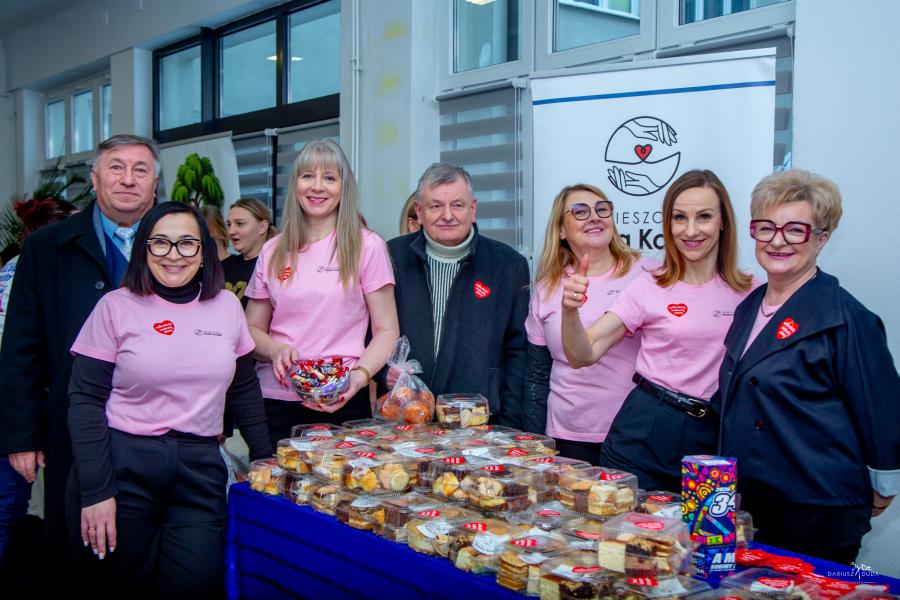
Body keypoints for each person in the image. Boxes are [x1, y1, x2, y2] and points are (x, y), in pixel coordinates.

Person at [67, 202, 272, 597]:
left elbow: (244, 389)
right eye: (160, 243)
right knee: (123, 586)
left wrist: (265, 461)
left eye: (187, 243)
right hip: (125, 465)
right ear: (143, 249)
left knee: (196, 583)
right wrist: (96, 491)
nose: (174, 255)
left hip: (199, 467)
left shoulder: (227, 307)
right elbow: (85, 401)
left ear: (204, 252)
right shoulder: (115, 307)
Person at [715, 169, 900, 564]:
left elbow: (881, 408)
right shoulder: (749, 307)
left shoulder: (845, 318)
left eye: (795, 230)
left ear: (821, 238)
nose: (777, 240)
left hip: (816, 508)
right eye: (767, 227)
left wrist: (885, 481)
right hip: (752, 501)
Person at [0, 134, 159, 593]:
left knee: (148, 552)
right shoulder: (45, 247)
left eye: (140, 170)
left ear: (155, 184)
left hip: (157, 425)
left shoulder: (178, 244)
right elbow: (21, 345)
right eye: (116, 167)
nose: (127, 179)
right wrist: (22, 434)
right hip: (70, 422)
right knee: (75, 552)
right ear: (95, 178)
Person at [561, 169, 755, 492]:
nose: (690, 230)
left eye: (704, 216)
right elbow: (583, 354)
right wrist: (570, 311)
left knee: (702, 526)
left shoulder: (751, 293)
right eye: (679, 218)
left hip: (713, 438)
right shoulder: (649, 286)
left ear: (723, 222)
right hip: (645, 430)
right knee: (625, 523)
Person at [245, 139, 399, 444]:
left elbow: (387, 330)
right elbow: (250, 329)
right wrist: (274, 350)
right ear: (295, 184)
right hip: (276, 399)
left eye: (329, 177)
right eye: (308, 176)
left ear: (344, 187)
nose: (317, 187)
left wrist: (359, 377)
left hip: (343, 397)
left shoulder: (367, 246)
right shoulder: (272, 250)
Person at [383, 163, 529, 427]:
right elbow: (369, 333)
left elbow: (518, 351)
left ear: (473, 209)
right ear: (419, 211)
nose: (447, 215)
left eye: (457, 205)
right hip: (406, 421)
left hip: (481, 423)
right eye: (436, 206)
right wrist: (385, 373)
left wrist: (508, 424)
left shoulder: (508, 265)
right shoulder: (390, 258)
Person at [524, 184, 652, 463]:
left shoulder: (648, 273)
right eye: (580, 212)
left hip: (635, 433)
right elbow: (536, 375)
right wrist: (534, 443)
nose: (594, 217)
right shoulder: (547, 287)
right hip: (566, 435)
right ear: (561, 230)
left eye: (602, 209)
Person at [0, 197, 78, 568]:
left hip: (21, 401)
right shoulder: (36, 272)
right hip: (19, 404)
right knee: (8, 505)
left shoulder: (11, 268)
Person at [223, 197, 276, 309]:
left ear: (262, 227)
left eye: (240, 223)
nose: (231, 231)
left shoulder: (276, 266)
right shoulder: (223, 266)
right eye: (229, 224)